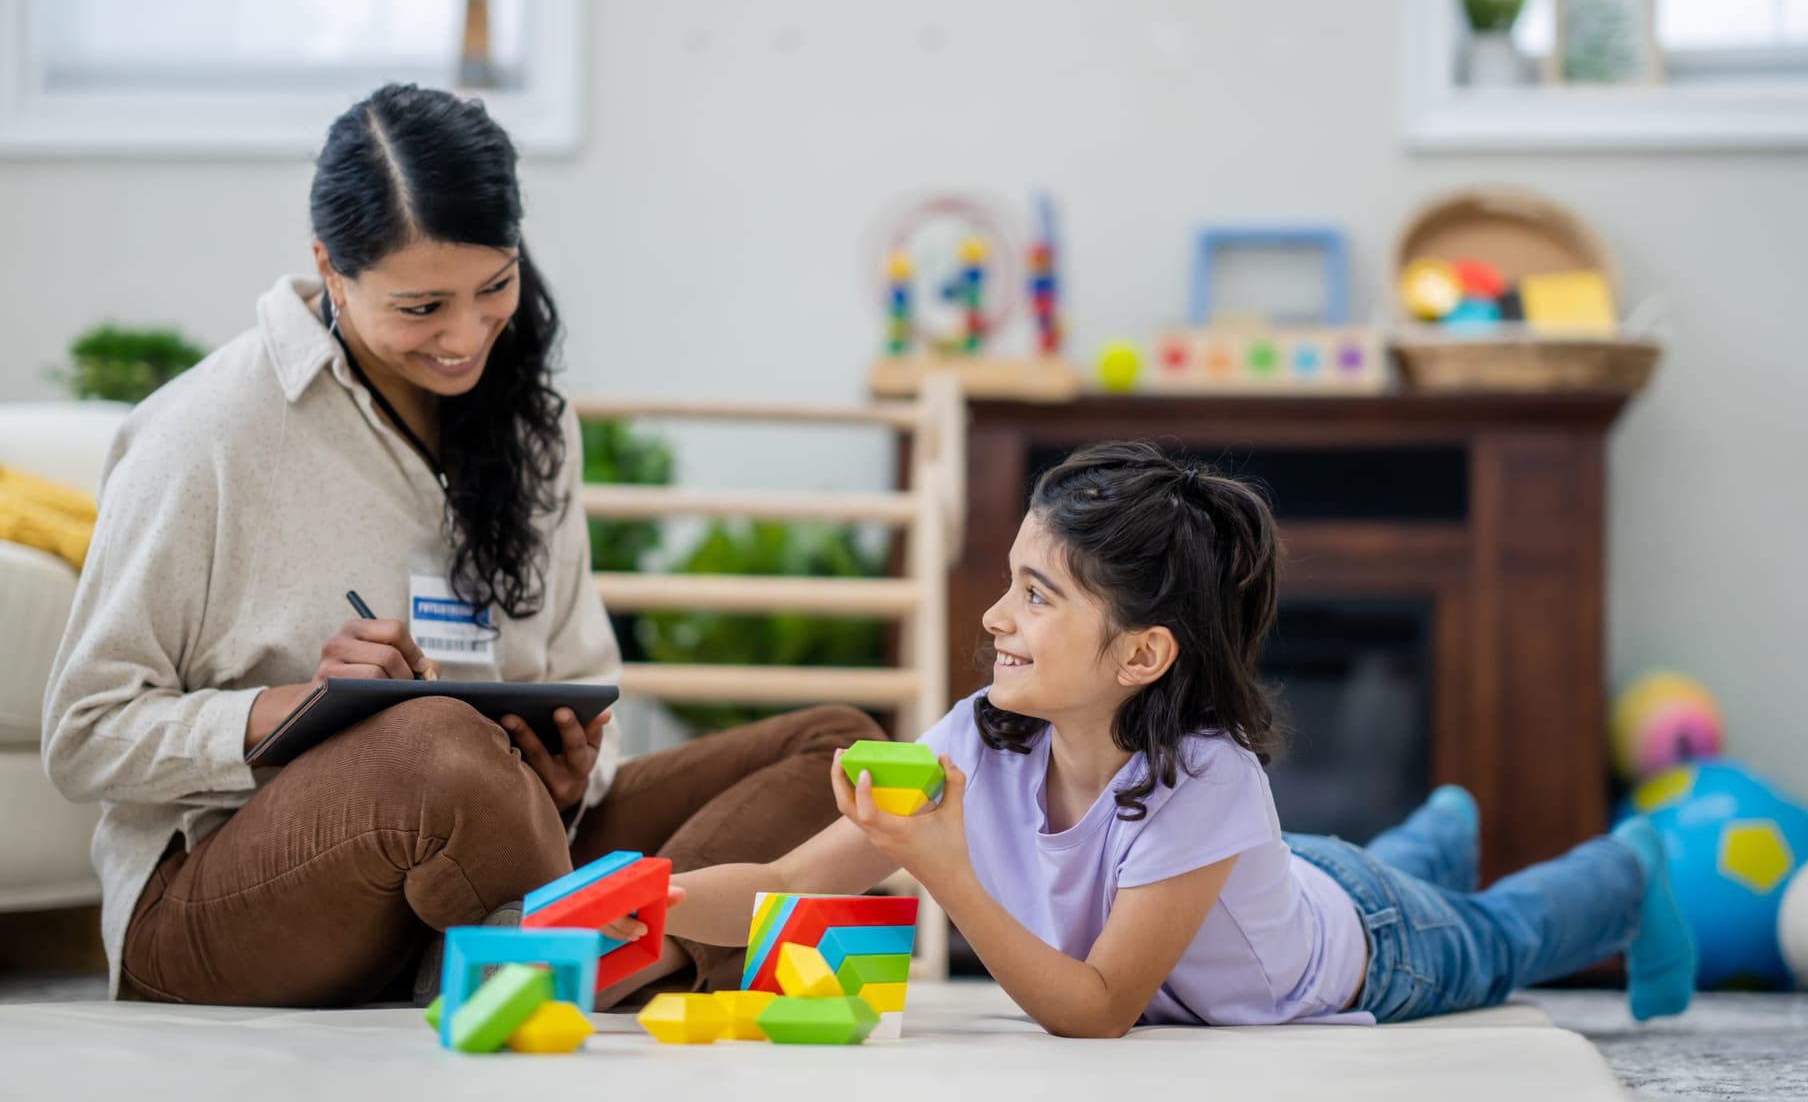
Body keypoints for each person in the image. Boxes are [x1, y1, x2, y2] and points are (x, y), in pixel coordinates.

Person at [41, 83, 877, 1007]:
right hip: (225, 903)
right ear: (330, 267)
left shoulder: (534, 428)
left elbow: (579, 679)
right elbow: (83, 734)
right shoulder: (205, 432)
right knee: (433, 743)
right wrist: (283, 714)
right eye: (422, 306)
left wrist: (570, 774)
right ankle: (564, 951)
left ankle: (600, 953)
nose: (466, 334)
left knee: (839, 748)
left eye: (494, 288)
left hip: (497, 851)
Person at [661, 441, 1697, 1035]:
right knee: (1367, 870)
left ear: (1142, 654)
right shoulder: (978, 740)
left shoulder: (1205, 775)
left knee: (1503, 934)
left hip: (1367, 949)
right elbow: (785, 881)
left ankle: (1631, 868)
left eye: (1035, 595)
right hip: (1287, 880)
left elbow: (1100, 1006)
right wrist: (643, 896)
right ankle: (1437, 830)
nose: (993, 618)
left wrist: (949, 870)